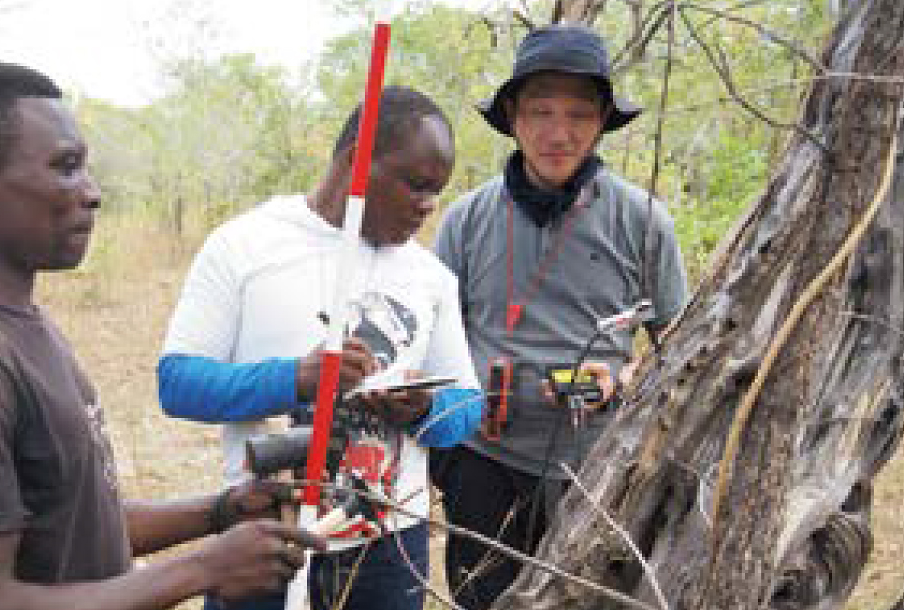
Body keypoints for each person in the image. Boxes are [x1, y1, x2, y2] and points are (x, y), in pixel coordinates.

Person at [0, 59, 324, 610]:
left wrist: (219, 513)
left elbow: (67, 524)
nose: (92, 193)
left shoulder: (13, 323)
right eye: (66, 167)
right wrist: (202, 570)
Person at [159, 86, 484, 610]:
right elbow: (176, 384)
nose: (428, 206)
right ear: (359, 163)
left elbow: (468, 406)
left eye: (437, 191)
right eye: (417, 185)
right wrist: (295, 379)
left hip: (389, 544)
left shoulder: (430, 278)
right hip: (263, 530)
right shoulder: (246, 245)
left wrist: (422, 408)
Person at [430, 25, 689, 610]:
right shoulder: (465, 220)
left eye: (578, 114)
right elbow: (434, 341)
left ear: (601, 123)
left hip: (599, 464)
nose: (558, 133)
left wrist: (620, 381)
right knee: (485, 600)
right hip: (482, 458)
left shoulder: (644, 221)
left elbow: (682, 350)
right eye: (540, 112)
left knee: (591, 598)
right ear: (512, 118)